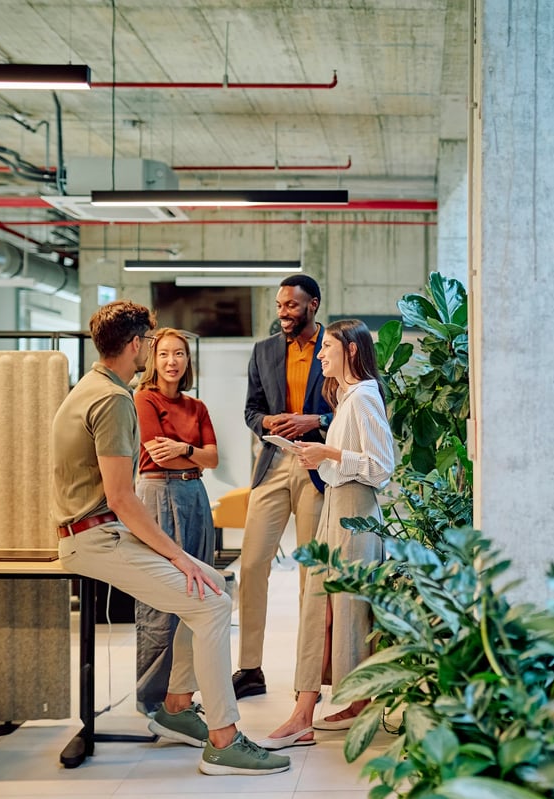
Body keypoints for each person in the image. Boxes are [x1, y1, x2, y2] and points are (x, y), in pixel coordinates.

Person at [50, 300, 288, 776]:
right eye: (154, 348)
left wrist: (186, 559)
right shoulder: (115, 399)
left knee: (212, 588)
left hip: (96, 530)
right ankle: (224, 739)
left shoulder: (92, 387)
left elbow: (206, 458)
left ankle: (179, 707)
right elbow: (123, 495)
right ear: (137, 345)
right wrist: (179, 556)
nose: (162, 358)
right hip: (94, 537)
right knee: (212, 601)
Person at [257, 319, 396, 751]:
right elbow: (350, 460)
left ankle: (335, 707)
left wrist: (328, 452)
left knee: (345, 609)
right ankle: (317, 708)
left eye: (328, 348)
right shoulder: (349, 399)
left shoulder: (363, 398)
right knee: (323, 607)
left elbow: (381, 467)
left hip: (354, 508)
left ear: (351, 351)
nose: (320, 355)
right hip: (338, 505)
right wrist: (315, 457)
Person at [233, 274, 333, 700]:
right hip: (273, 464)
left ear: (313, 305)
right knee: (253, 564)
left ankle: (308, 679)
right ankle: (250, 669)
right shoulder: (264, 351)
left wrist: (317, 421)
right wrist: (268, 422)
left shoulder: (336, 347)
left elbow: (363, 399)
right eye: (279, 305)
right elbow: (251, 410)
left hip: (316, 466)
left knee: (312, 575)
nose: (283, 313)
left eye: (291, 306)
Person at [133, 327, 219, 716]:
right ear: (154, 359)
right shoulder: (143, 399)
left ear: (187, 361)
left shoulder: (196, 407)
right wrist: (193, 453)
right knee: (158, 599)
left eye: (179, 355)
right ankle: (152, 700)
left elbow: (212, 459)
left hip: (194, 497)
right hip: (157, 494)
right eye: (165, 354)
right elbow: (158, 455)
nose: (172, 361)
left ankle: (180, 695)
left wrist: (185, 448)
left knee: (196, 591)